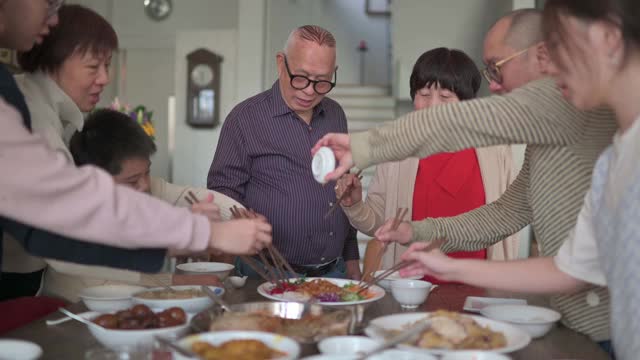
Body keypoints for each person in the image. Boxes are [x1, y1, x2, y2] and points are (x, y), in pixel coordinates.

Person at [312, 9, 617, 350]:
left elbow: (460, 122)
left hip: (607, 324)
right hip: (578, 317)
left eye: (497, 66)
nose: (495, 83)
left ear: (542, 56)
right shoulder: (544, 137)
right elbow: (502, 215)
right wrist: (418, 232)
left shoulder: (557, 101)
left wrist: (363, 145)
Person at [401, 0, 640, 357]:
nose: (554, 63)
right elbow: (564, 265)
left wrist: (362, 146)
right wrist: (436, 249)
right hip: (592, 328)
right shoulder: (609, 156)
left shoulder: (594, 126)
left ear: (607, 37)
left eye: (560, 49)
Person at [0, 1, 271, 276]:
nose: (105, 78)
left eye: (107, 65)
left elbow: (158, 193)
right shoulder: (28, 112)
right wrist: (205, 233)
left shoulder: (55, 113)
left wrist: (224, 219)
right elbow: (69, 210)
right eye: (94, 66)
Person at [336, 47, 518, 283]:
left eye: (445, 97)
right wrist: (355, 206)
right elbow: (379, 224)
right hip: (410, 287)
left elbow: (509, 219)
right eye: (423, 94)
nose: (432, 106)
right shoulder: (397, 150)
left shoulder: (495, 151)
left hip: (480, 287)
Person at [208, 25, 360, 280]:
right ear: (281, 63)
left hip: (335, 272)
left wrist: (352, 255)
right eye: (300, 77)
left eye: (322, 82)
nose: (310, 91)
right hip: (265, 273)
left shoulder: (335, 114)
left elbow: (342, 190)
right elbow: (221, 192)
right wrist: (238, 219)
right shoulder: (244, 119)